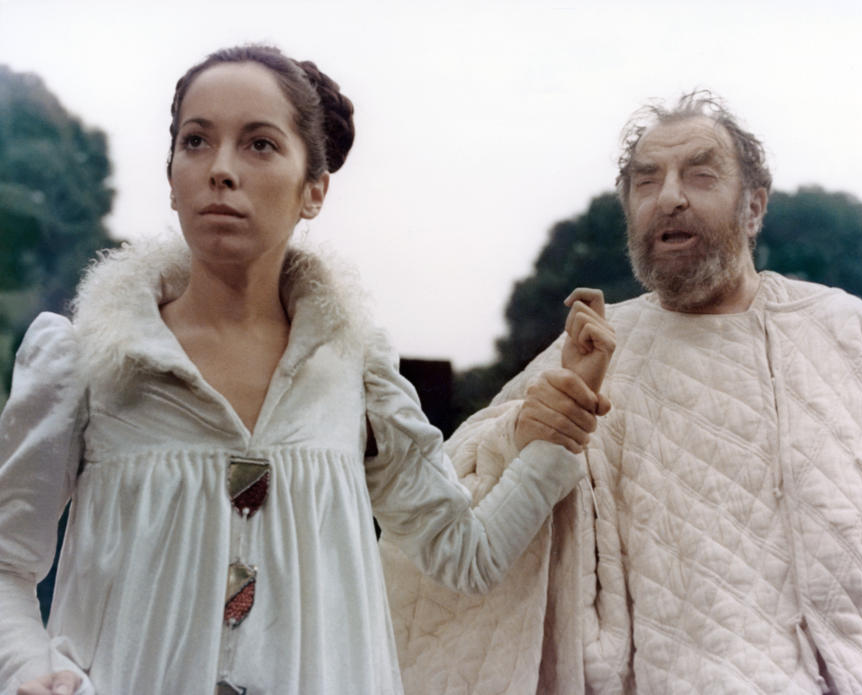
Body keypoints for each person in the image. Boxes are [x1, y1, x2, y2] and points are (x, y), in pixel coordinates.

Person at [0, 45, 617, 695]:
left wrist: (557, 431)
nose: (221, 170)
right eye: (196, 141)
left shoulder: (356, 372)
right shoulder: (87, 361)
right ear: (172, 175)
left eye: (259, 145)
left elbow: (467, 554)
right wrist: (31, 669)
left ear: (314, 191)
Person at [380, 92, 862, 694]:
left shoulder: (846, 330)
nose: (670, 196)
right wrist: (528, 432)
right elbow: (449, 502)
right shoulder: (591, 348)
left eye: (701, 175)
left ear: (754, 207)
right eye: (646, 181)